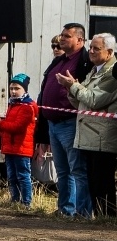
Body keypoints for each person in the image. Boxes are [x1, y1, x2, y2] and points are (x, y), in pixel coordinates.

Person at [36, 22, 93, 217]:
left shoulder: (85, 62)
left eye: (66, 36)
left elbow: (88, 93)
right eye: (61, 35)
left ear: (80, 40)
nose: (61, 39)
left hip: (71, 123)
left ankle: (83, 212)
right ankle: (66, 210)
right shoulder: (59, 61)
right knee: (62, 171)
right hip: (53, 124)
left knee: (77, 169)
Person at [58, 33, 117, 217]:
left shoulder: (112, 73)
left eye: (96, 49)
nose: (90, 51)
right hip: (89, 135)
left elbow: (93, 100)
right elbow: (81, 103)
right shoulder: (95, 70)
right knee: (92, 179)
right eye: (90, 47)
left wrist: (73, 86)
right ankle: (99, 216)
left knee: (103, 180)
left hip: (102, 136)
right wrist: (72, 88)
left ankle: (107, 217)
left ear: (109, 52)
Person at [0, 73, 38, 207]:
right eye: (11, 88)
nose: (13, 91)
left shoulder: (28, 107)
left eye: (17, 88)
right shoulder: (13, 104)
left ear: (25, 89)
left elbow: (17, 127)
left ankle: (26, 202)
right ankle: (15, 200)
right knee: (12, 176)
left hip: (21, 148)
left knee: (23, 176)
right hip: (10, 147)